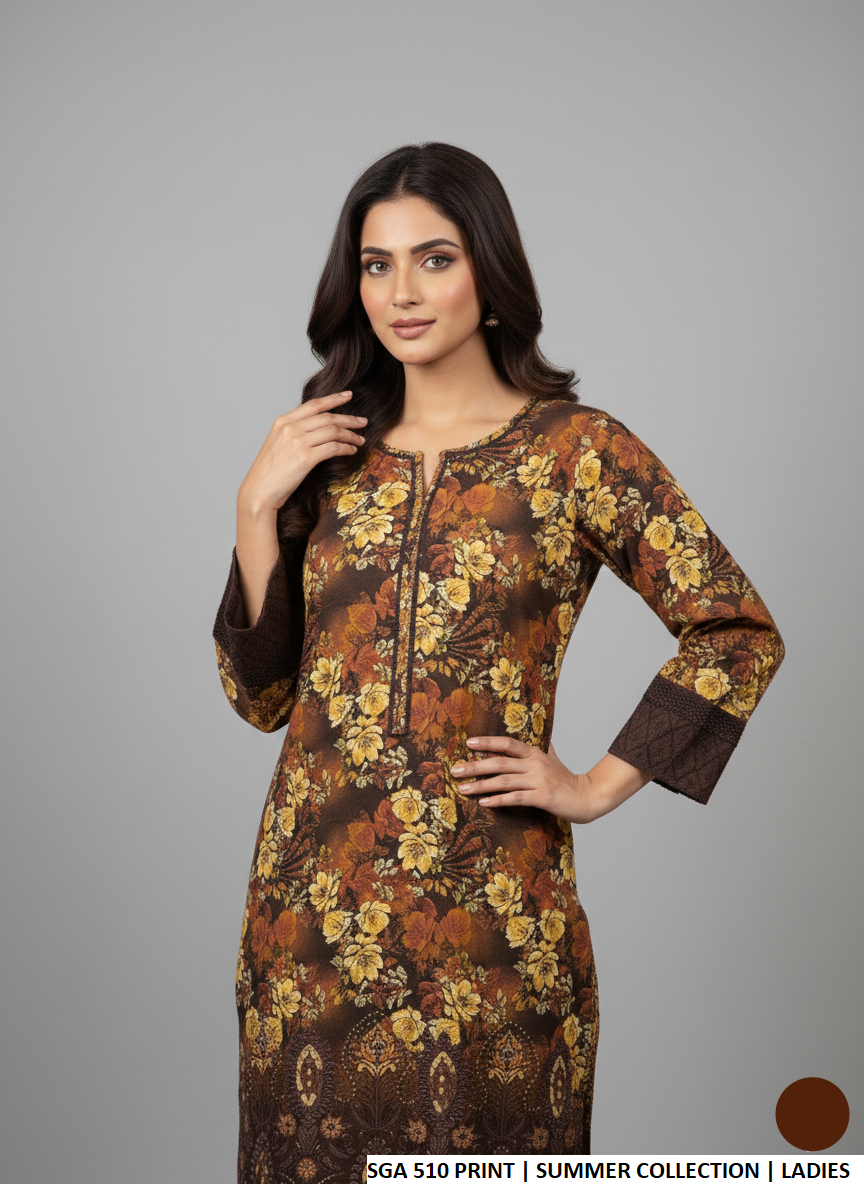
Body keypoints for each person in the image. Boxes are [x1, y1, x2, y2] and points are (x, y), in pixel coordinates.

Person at [212, 142, 784, 1176]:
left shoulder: (575, 450)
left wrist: (596, 785)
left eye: (434, 258)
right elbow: (261, 698)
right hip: (308, 929)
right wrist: (256, 507)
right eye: (377, 264)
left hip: (494, 924)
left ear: (490, 270)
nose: (401, 292)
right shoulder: (325, 456)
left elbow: (734, 629)